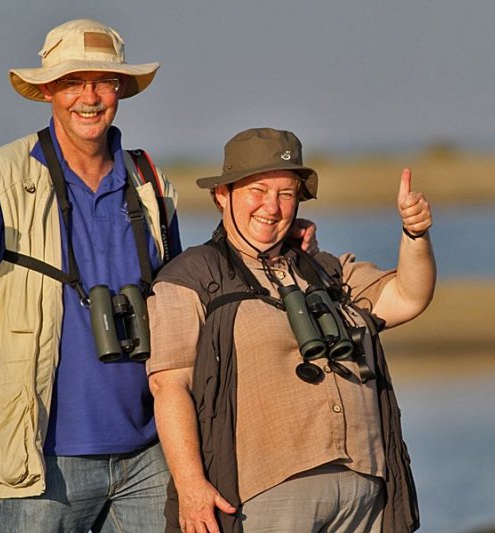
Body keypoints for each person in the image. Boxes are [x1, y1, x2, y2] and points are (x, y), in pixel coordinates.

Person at [0, 19, 314, 533]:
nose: (89, 97)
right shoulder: (0, 177)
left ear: (120, 89)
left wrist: (277, 235)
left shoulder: (148, 179)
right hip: (39, 461)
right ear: (48, 90)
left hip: (151, 455)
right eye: (74, 81)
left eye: (103, 81)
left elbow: (192, 289)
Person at [147, 127, 436, 533]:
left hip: (365, 486)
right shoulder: (191, 276)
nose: (273, 206)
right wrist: (192, 486)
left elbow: (408, 297)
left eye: (286, 193)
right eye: (257, 190)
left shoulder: (324, 268)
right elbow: (169, 386)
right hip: (266, 491)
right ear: (222, 195)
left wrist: (415, 235)